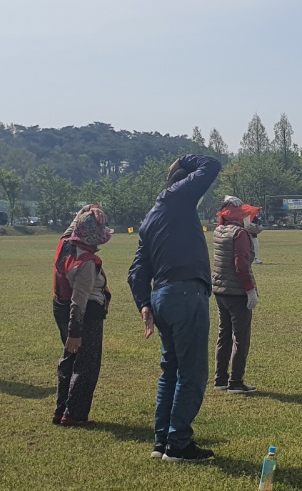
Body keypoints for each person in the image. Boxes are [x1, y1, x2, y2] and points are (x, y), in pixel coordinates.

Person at [128, 153, 223, 463]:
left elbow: (137, 271)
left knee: (170, 371)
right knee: (192, 373)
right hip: (185, 294)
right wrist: (183, 160)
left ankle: (162, 441)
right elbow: (211, 165)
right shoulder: (177, 197)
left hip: (162, 297)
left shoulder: (151, 217)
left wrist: (144, 303)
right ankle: (178, 443)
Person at [52, 204, 114, 426]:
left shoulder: (65, 243)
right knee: (86, 365)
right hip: (85, 316)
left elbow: (77, 219)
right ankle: (75, 414)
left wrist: (92, 208)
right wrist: (75, 332)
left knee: (69, 361)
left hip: (61, 307)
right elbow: (79, 302)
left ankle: (61, 410)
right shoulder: (85, 263)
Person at [211, 195, 262, 394]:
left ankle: (220, 379)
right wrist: (250, 290)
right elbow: (241, 264)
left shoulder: (218, 230)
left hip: (220, 289)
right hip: (237, 291)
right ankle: (236, 381)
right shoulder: (239, 234)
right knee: (241, 338)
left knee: (223, 335)